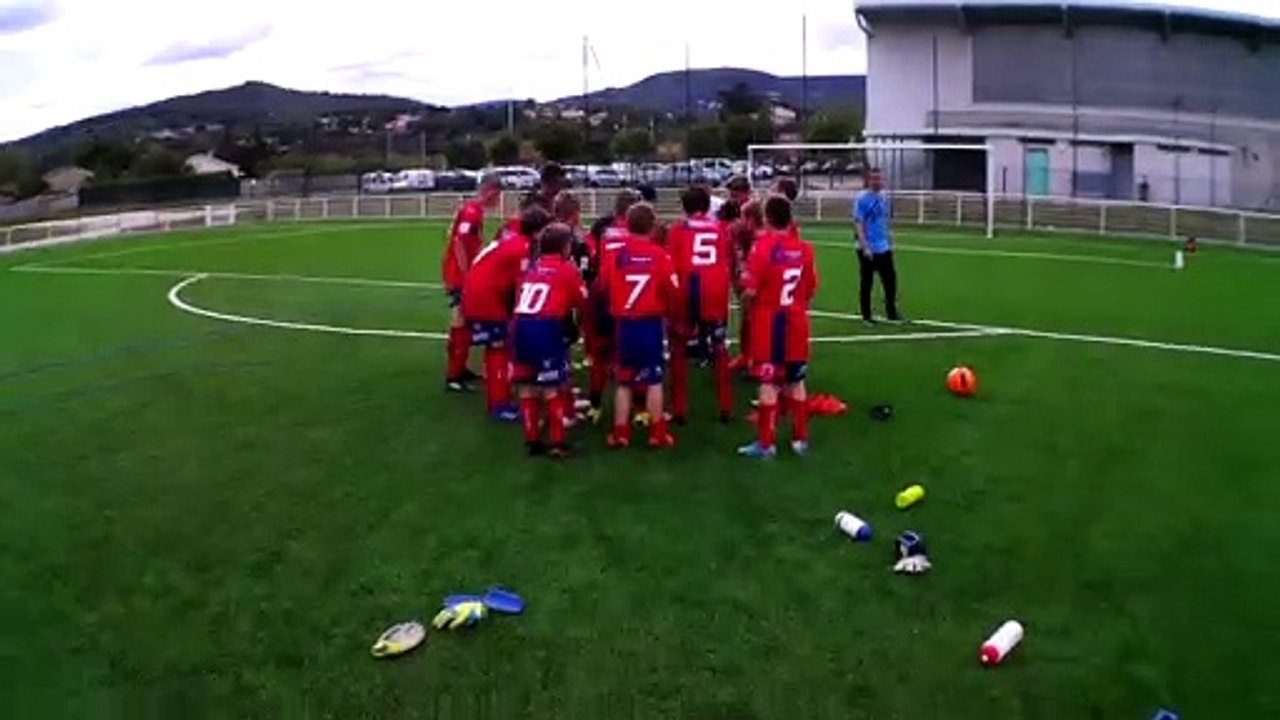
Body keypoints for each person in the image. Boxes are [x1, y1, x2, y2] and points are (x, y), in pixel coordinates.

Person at [738, 195, 818, 458]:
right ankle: (800, 441)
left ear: (767, 219)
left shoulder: (762, 248)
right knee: (796, 381)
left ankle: (766, 444)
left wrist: (746, 304)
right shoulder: (805, 249)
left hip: (769, 324)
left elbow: (750, 290)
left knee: (768, 382)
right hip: (796, 323)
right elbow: (810, 288)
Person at [600, 202, 679, 449]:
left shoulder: (616, 255)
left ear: (628, 224)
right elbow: (673, 290)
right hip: (650, 325)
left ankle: (620, 433)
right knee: (654, 379)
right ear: (653, 226)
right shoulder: (660, 255)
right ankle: (657, 433)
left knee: (624, 381)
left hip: (624, 325)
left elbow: (603, 285)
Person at [461, 206, 552, 421]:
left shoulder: (514, 241)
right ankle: (499, 404)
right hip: (486, 297)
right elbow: (521, 286)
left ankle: (498, 394)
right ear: (537, 231)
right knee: (498, 348)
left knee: (497, 348)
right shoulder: (522, 248)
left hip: (478, 292)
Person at [510, 224, 586, 459]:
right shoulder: (566, 268)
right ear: (565, 247)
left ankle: (532, 439)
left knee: (526, 384)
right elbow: (580, 300)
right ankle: (557, 442)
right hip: (545, 328)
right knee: (551, 386)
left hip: (520, 325)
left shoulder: (533, 266)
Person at [666, 185, 735, 423]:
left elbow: (671, 263)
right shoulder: (720, 229)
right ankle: (725, 407)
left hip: (686, 291)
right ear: (706, 206)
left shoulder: (677, 229)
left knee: (678, 349)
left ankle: (679, 409)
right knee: (719, 347)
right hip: (714, 292)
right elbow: (727, 260)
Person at [582, 189, 640, 421]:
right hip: (632, 299)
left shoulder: (603, 230)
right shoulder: (640, 234)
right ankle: (639, 408)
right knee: (634, 355)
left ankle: (595, 405)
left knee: (601, 355)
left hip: (604, 295)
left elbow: (592, 258)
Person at [443, 178, 501, 392]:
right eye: (497, 195)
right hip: (459, 275)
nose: (498, 200)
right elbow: (458, 241)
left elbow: (455, 235)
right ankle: (453, 375)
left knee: (464, 321)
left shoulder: (472, 210)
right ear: (489, 191)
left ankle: (460, 368)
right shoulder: (472, 212)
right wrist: (466, 274)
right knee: (459, 320)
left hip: (460, 272)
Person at [853, 167, 901, 323]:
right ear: (868, 180)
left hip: (883, 246)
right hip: (868, 247)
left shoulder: (883, 198)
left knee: (890, 280)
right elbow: (858, 223)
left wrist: (890, 241)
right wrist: (865, 246)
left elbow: (884, 222)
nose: (877, 182)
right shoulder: (862, 199)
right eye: (874, 179)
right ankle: (866, 315)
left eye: (879, 178)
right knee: (867, 282)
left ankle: (891, 312)